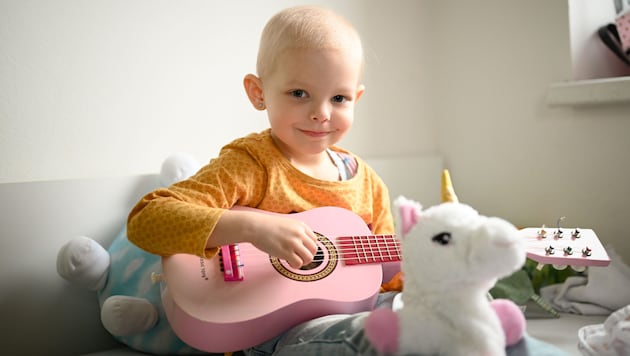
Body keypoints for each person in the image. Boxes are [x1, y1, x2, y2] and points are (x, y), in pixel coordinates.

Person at [128, 5, 569, 356]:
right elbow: (147, 219)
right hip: (273, 333)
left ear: (356, 98)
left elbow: (392, 277)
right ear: (258, 92)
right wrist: (254, 227)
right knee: (388, 336)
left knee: (475, 323)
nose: (321, 112)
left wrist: (447, 270)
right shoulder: (250, 164)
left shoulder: (365, 183)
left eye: (338, 97)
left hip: (359, 314)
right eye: (299, 93)